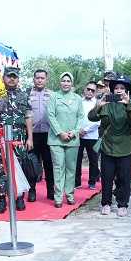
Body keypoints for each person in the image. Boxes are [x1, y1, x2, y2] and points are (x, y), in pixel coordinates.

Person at [89, 74, 131, 216]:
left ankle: (122, 204)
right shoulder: (106, 103)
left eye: (122, 88)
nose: (118, 90)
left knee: (124, 178)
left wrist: (128, 105)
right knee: (107, 177)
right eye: (116, 88)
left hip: (124, 147)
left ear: (127, 90)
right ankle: (105, 203)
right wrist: (98, 106)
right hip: (108, 147)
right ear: (112, 90)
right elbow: (91, 117)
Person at [0, 67, 33, 212]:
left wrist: (30, 138)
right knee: (0, 169)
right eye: (9, 76)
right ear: (3, 78)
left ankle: (19, 197)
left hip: (19, 138)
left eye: (14, 77)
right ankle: (1, 199)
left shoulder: (23, 96)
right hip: (1, 138)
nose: (12, 79)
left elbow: (28, 117)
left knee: (19, 168)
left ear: (18, 79)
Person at [47, 72, 83, 208]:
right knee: (58, 167)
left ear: (72, 83)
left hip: (72, 140)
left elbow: (81, 117)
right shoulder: (54, 97)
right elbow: (50, 115)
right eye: (63, 80)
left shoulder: (78, 99)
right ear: (60, 82)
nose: (66, 83)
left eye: (68, 81)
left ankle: (70, 194)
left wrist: (74, 132)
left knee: (71, 168)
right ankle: (58, 197)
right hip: (56, 139)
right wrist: (60, 132)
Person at [28, 69, 53, 201]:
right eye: (37, 77)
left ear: (46, 80)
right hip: (32, 135)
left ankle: (51, 191)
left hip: (48, 135)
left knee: (49, 164)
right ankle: (32, 191)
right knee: (32, 165)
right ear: (34, 79)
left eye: (42, 78)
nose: (39, 80)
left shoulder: (52, 95)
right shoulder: (27, 94)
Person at [75, 81, 100, 190]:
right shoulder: (78, 102)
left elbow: (98, 121)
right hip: (78, 135)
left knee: (93, 160)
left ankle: (92, 182)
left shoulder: (98, 103)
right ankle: (76, 182)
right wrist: (78, 130)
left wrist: (86, 130)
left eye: (92, 90)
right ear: (84, 90)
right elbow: (74, 116)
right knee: (77, 160)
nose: (90, 92)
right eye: (88, 89)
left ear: (95, 92)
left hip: (92, 135)